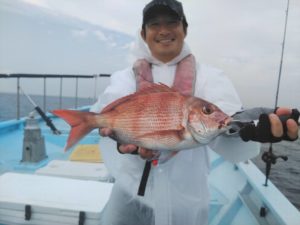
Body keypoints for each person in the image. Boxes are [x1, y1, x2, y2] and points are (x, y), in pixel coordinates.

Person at [90, 0, 299, 224]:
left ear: (185, 28)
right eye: (154, 24)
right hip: (129, 193)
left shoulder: (212, 77)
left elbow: (228, 123)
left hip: (185, 199)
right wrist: (119, 138)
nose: (164, 30)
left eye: (172, 22)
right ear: (143, 33)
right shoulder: (124, 78)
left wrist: (250, 130)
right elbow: (105, 119)